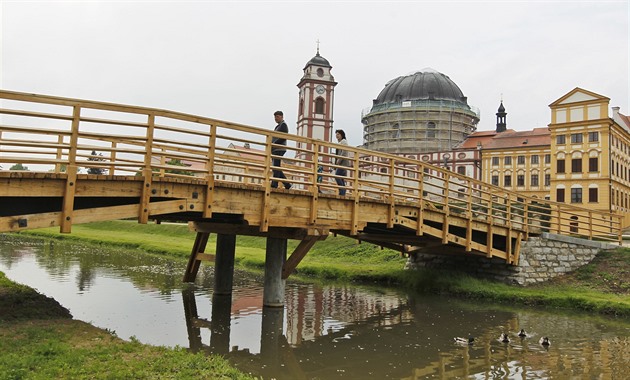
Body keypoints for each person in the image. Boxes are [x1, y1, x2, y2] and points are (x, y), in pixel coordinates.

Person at [270, 110, 291, 189]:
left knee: (276, 167)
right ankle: (287, 184)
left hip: (279, 148)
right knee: (276, 167)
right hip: (275, 149)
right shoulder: (277, 126)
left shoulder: (283, 125)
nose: (276, 119)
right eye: (275, 117)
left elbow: (283, 137)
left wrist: (274, 144)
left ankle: (274, 184)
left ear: (282, 117)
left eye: (277, 117)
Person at [334, 129, 349, 195]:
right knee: (341, 178)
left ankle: (342, 192)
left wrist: (338, 161)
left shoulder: (344, 142)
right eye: (336, 134)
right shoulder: (340, 142)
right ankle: (342, 193)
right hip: (340, 164)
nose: (337, 135)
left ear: (342, 135)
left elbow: (344, 153)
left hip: (342, 164)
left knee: (337, 176)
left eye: (338, 134)